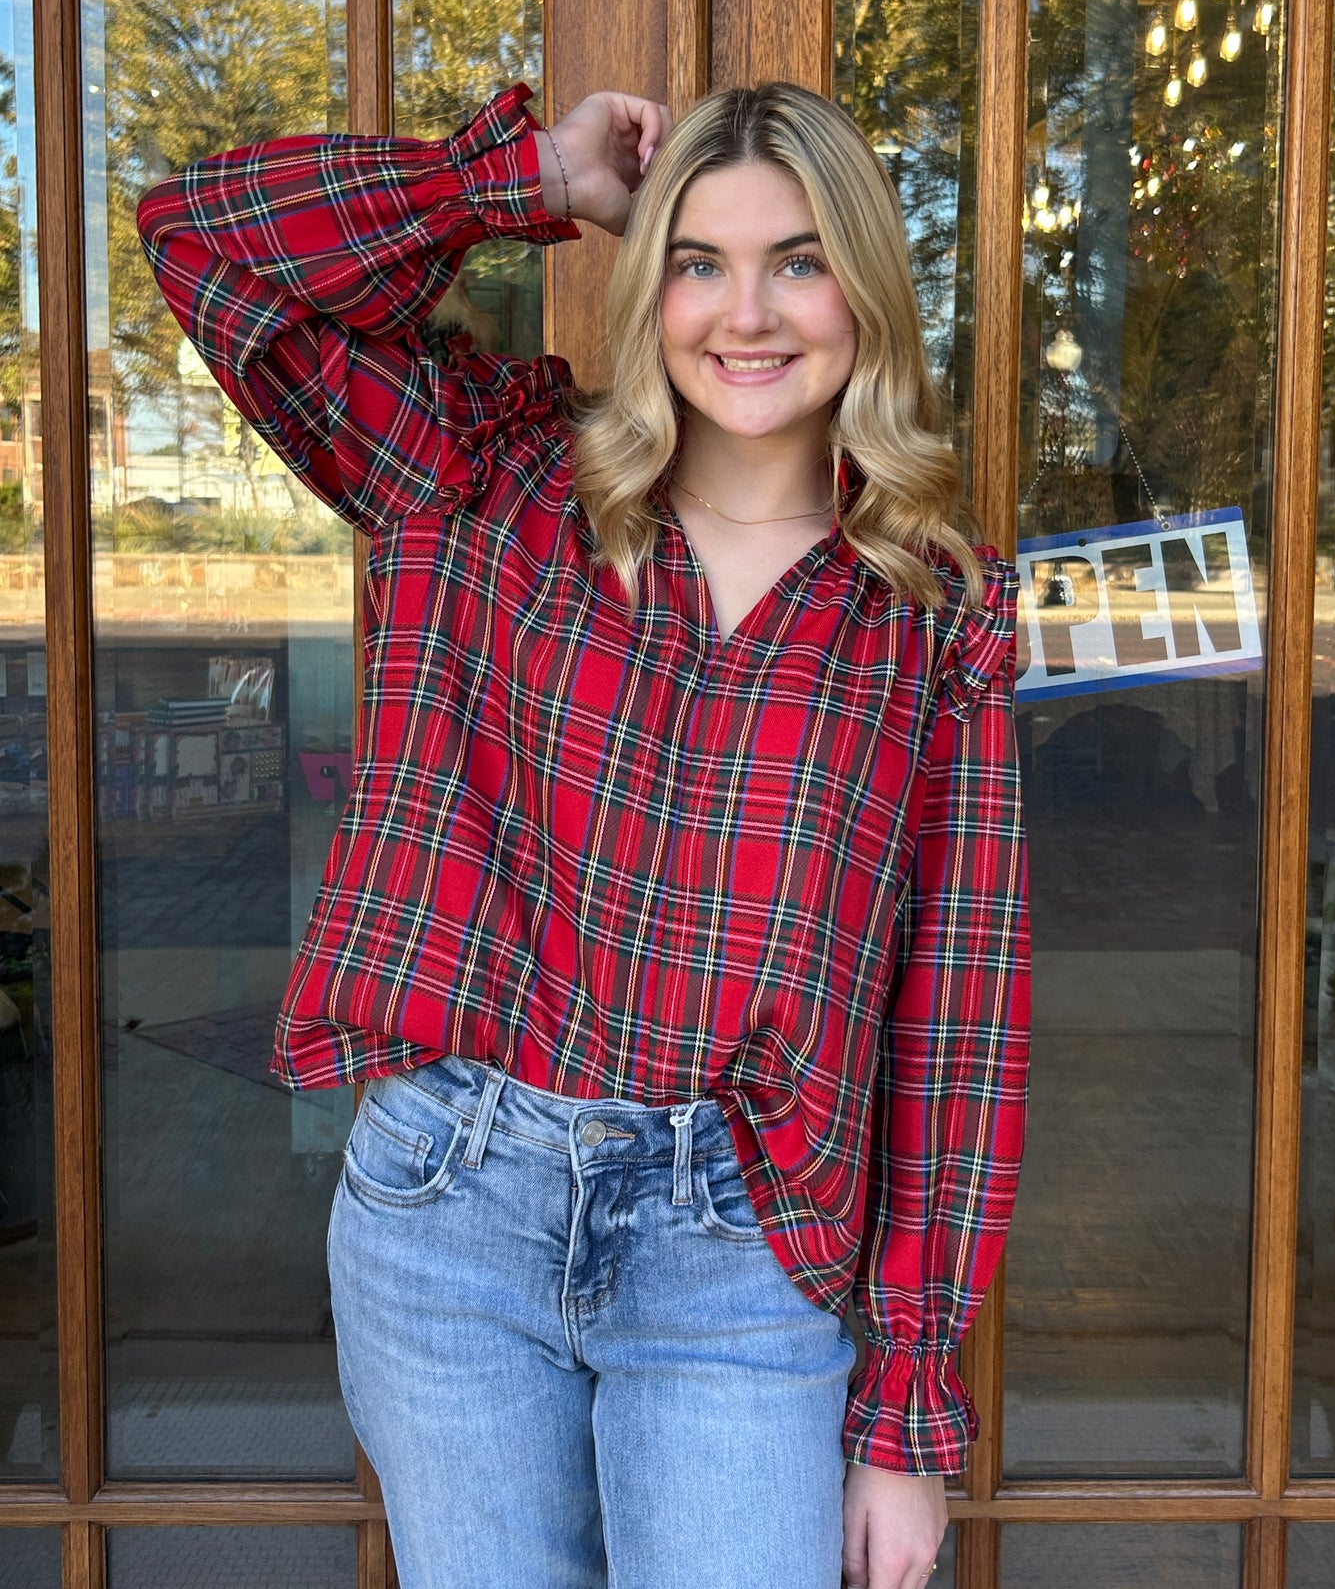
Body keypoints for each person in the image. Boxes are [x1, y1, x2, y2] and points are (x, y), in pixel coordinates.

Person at [135, 79, 1031, 1589]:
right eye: (697, 260)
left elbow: (954, 1019)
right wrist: (523, 176)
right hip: (449, 1217)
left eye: (798, 260)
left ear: (864, 288)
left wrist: (907, 1414)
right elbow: (203, 243)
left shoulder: (930, 614)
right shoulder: (482, 475)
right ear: (647, 284)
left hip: (741, 1247)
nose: (746, 313)